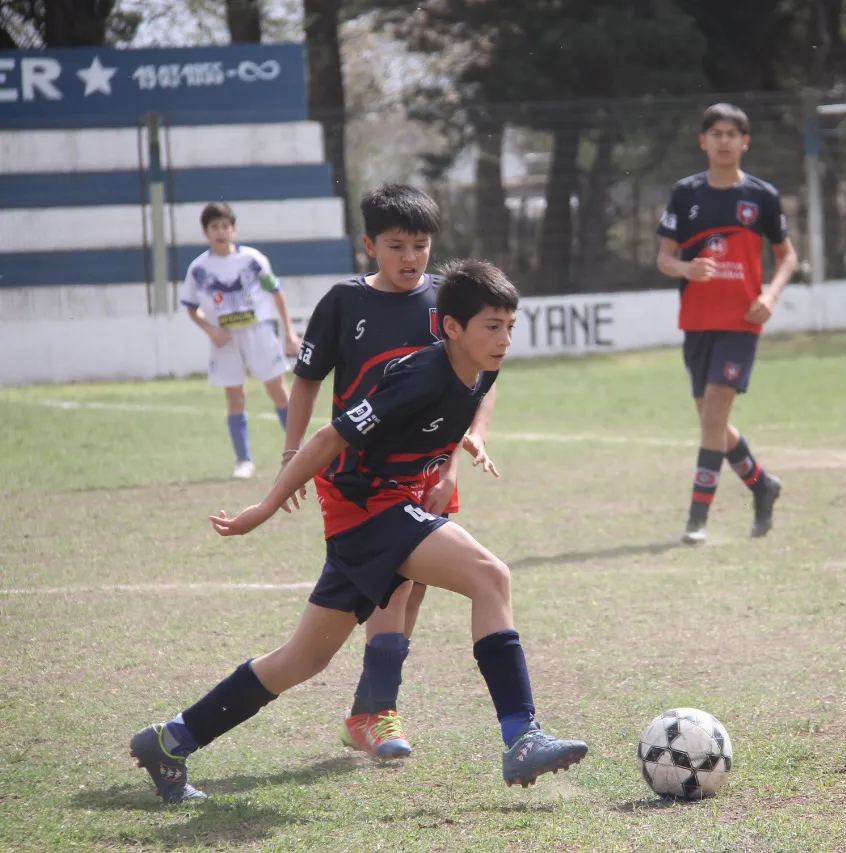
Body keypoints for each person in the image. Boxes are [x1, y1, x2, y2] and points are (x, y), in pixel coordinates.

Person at [130, 259, 588, 804]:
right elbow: (329, 439)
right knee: (491, 576)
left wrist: (449, 462)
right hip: (367, 509)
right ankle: (521, 735)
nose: (505, 339)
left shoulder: (482, 367)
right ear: (451, 328)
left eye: (510, 326)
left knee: (302, 660)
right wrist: (267, 505)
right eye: (492, 326)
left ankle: (169, 740)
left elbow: (458, 413)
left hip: (387, 508)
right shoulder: (420, 374)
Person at [283, 183, 499, 759]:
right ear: (369, 246)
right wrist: (291, 453)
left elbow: (476, 382)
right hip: (362, 480)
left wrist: (461, 452)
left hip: (428, 473)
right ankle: (381, 715)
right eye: (397, 245)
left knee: (412, 591)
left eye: (422, 245)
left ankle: (366, 711)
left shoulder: (446, 306)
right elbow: (307, 380)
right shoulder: (343, 302)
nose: (410, 258)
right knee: (393, 589)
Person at [656, 102, 798, 545]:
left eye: (731, 134)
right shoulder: (686, 193)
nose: (723, 141)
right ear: (703, 141)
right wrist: (686, 269)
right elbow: (664, 258)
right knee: (711, 420)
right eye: (715, 133)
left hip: (742, 322)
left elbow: (788, 255)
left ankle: (697, 518)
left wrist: (770, 294)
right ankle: (761, 483)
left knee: (714, 414)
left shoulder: (761, 197)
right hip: (697, 322)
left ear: (745, 142)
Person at [180, 202, 301, 479]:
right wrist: (211, 331)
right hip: (225, 338)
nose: (220, 232)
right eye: (214, 227)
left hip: (258, 331)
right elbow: (190, 307)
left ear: (233, 229)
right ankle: (244, 460)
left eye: (225, 226)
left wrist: (290, 331)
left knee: (278, 390)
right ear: (205, 232)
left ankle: (298, 452)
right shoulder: (198, 268)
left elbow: (277, 293)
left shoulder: (252, 259)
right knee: (235, 395)